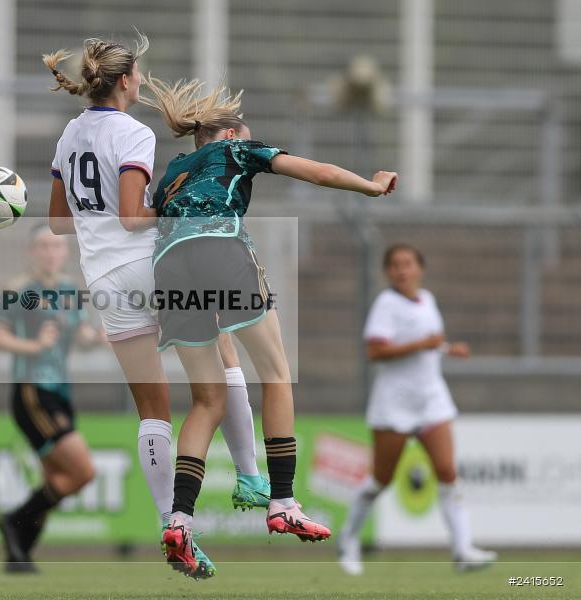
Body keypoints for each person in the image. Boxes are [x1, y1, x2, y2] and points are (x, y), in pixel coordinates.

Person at [141, 76, 397, 577]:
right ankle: (283, 501)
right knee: (276, 374)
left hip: (168, 265)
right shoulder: (239, 150)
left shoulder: (172, 172)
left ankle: (180, 519)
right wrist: (370, 185)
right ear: (233, 134)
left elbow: (146, 221)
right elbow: (318, 172)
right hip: (222, 246)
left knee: (205, 400)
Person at [43, 34, 269, 579]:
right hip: (148, 266)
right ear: (125, 80)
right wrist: (166, 204)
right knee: (223, 350)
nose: (141, 80)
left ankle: (173, 524)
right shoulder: (134, 132)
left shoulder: (68, 137)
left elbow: (56, 222)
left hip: (104, 279)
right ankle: (250, 474)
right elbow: (131, 216)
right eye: (138, 73)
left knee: (153, 411)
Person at [337, 244, 498, 575]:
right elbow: (376, 351)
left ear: (419, 268)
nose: (401, 270)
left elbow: (429, 342)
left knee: (448, 472)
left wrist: (448, 348)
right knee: (381, 480)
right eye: (395, 265)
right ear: (387, 272)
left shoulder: (428, 300)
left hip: (431, 401)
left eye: (407, 264)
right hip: (394, 404)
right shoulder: (386, 304)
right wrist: (422, 345)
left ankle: (462, 550)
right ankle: (348, 540)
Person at [0, 224, 105, 573]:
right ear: (31, 251)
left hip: (60, 392)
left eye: (56, 247)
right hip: (32, 391)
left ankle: (18, 552)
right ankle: (12, 521)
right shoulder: (19, 289)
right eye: (42, 246)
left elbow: (81, 336)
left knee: (57, 479)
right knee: (82, 471)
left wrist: (99, 338)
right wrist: (32, 346)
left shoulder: (70, 289)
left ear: (65, 253)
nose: (50, 252)